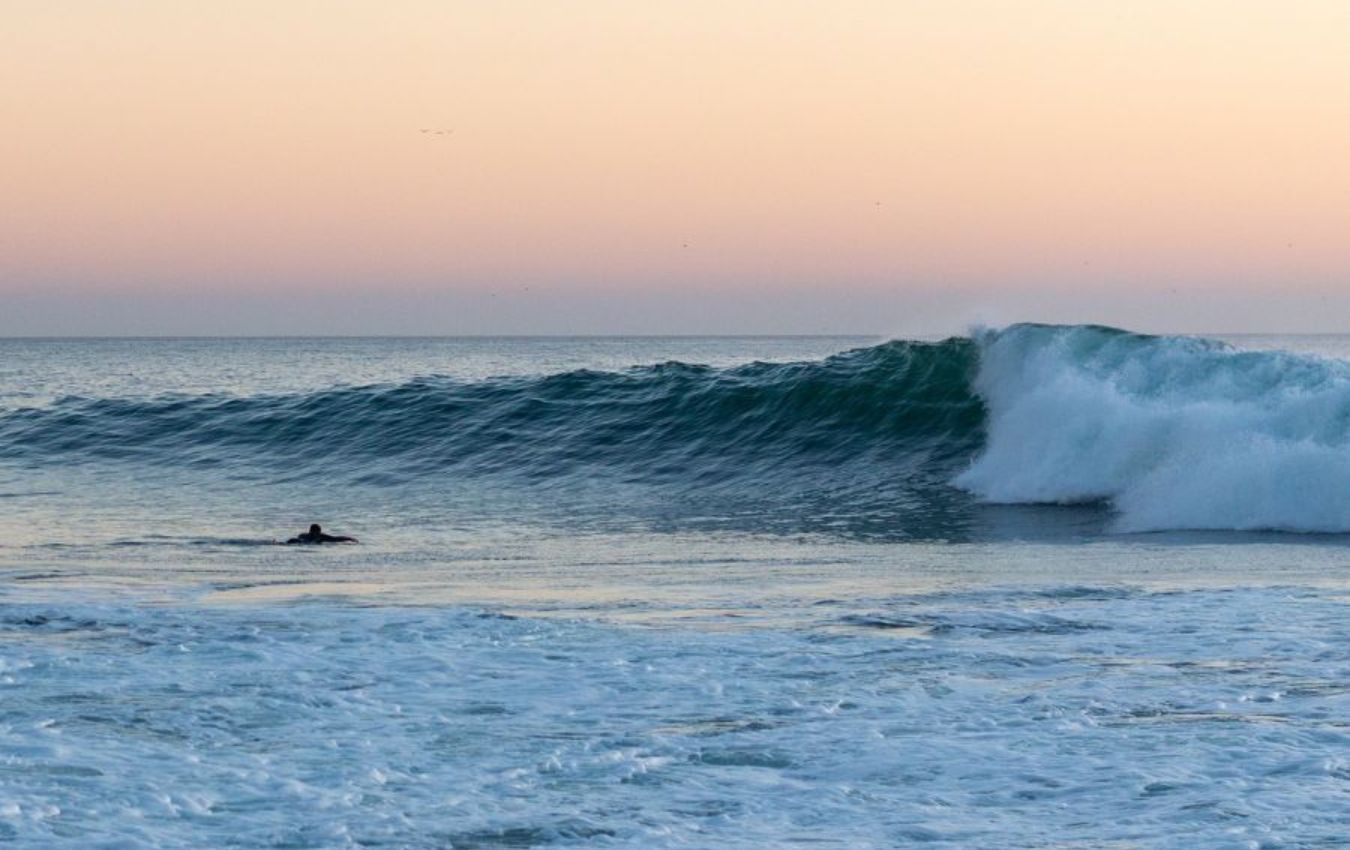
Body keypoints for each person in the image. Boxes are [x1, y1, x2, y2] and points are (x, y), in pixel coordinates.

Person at [285, 523, 358, 544]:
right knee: (292, 540)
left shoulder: (322, 536)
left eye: (318, 532)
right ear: (311, 531)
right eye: (316, 532)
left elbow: (336, 538)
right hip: (303, 542)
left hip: (307, 543)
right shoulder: (303, 535)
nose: (317, 533)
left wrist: (350, 538)